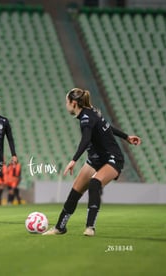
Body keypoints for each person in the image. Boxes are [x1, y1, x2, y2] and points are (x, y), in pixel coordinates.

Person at [43, 88, 141, 236]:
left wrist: (73, 160)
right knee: (75, 192)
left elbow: (86, 139)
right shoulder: (92, 112)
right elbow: (108, 127)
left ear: (74, 103)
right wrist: (126, 137)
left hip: (112, 158)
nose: (66, 105)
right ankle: (59, 227)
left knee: (95, 183)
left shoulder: (86, 118)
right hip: (95, 158)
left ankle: (90, 227)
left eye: (66, 102)